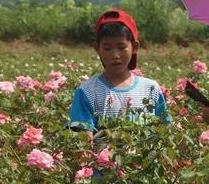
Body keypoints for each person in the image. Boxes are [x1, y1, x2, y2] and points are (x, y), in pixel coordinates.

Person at [68, 8, 171, 151]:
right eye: (107, 48)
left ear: (134, 47)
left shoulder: (151, 89)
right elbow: (82, 147)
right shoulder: (88, 92)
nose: (115, 55)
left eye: (121, 47)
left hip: (144, 172)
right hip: (102, 172)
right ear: (97, 48)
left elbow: (164, 134)